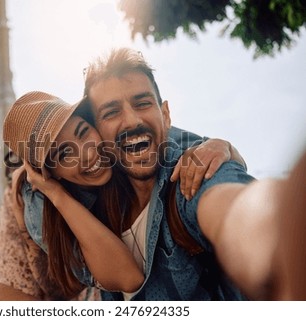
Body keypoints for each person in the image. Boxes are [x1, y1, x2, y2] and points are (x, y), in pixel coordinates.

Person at [0, 90, 245, 300]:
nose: (87, 154)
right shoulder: (40, 206)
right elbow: (127, 278)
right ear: (49, 172)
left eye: (83, 132)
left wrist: (224, 147)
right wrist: (55, 194)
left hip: (87, 292)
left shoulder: (128, 149)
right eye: (64, 154)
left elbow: (191, 148)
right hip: (29, 278)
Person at [74, 47, 301, 300]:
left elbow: (232, 207)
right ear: (97, 134)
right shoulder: (93, 205)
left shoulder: (196, 169)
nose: (131, 120)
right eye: (111, 112)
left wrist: (280, 232)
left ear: (166, 115)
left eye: (143, 103)